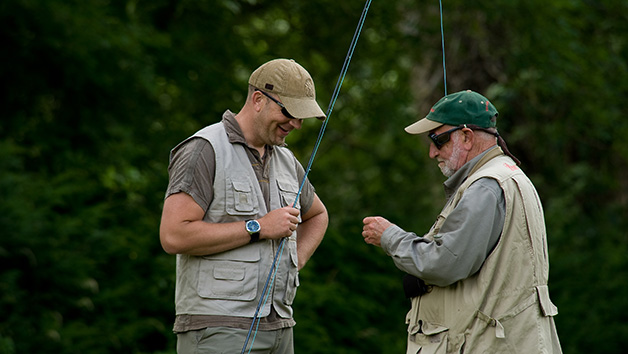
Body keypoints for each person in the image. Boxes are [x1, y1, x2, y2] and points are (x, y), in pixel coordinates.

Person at [362, 90, 562, 353]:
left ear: (467, 137)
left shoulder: (486, 187)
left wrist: (389, 237)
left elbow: (444, 262)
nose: (432, 152)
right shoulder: (508, 175)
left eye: (438, 140)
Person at [160, 58, 329, 354]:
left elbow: (318, 215)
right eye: (290, 112)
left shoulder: (286, 159)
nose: (297, 125)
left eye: (303, 117)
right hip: (218, 329)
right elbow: (174, 235)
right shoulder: (204, 148)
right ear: (258, 100)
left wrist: (294, 262)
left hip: (281, 327)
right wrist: (259, 228)